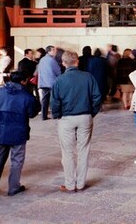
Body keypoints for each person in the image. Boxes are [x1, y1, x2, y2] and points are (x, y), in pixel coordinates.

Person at [51, 50, 102, 192]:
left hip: (66, 118)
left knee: (67, 152)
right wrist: (92, 112)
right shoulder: (88, 77)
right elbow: (97, 97)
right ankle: (80, 183)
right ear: (77, 62)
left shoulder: (59, 80)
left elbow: (54, 101)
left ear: (63, 63)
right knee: (83, 150)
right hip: (85, 116)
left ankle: (70, 184)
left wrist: (58, 115)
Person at [0, 70, 41, 196]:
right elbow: (32, 113)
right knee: (17, 160)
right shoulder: (27, 96)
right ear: (24, 81)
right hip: (18, 132)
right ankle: (13, 187)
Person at [36, 45, 62, 120]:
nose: (55, 52)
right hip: (51, 83)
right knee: (53, 99)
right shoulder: (52, 60)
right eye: (53, 50)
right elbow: (58, 71)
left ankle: (43, 116)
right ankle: (55, 115)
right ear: (49, 51)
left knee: (45, 100)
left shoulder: (42, 59)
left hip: (43, 83)